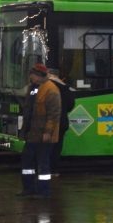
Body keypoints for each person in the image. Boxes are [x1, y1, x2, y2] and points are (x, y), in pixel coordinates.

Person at [19, 62, 61, 197]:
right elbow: (28, 110)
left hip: (43, 134)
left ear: (39, 76)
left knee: (43, 164)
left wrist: (48, 132)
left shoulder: (51, 89)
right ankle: (28, 188)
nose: (31, 78)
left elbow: (53, 115)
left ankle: (44, 191)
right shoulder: (33, 88)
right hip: (32, 133)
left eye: (32, 76)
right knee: (27, 162)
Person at [47, 67, 75, 176]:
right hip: (62, 122)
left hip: (50, 122)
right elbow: (70, 105)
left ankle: (46, 169)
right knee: (57, 147)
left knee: (47, 147)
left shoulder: (47, 86)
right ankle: (54, 170)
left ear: (49, 74)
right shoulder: (65, 87)